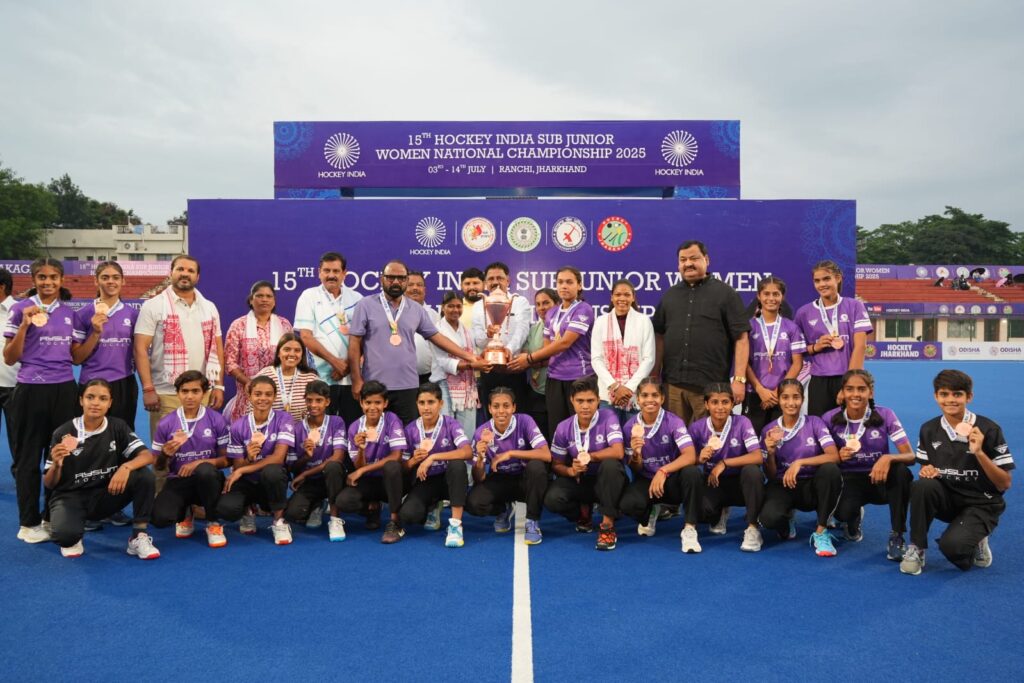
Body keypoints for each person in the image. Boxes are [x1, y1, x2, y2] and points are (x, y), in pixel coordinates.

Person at [901, 369, 1013, 575]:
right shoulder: (929, 429)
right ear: (936, 396)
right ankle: (917, 547)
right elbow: (926, 468)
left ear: (969, 397)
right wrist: (927, 470)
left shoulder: (989, 429)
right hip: (949, 498)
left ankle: (977, 537)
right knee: (921, 486)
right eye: (944, 394)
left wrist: (979, 452)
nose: (950, 399)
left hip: (982, 503)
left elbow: (1004, 483)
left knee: (953, 547)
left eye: (957, 394)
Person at [348, 260, 478, 425]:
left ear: (406, 280)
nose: (396, 282)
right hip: (375, 385)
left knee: (409, 434)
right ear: (382, 279)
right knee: (375, 433)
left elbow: (437, 337)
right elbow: (354, 343)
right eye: (391, 277)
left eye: (401, 278)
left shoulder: (416, 309)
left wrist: (469, 356)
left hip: (408, 386)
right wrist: (356, 379)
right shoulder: (365, 305)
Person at [135, 255, 225, 491]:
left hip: (202, 392)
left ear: (198, 276)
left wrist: (218, 385)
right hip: (166, 393)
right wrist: (148, 388)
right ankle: (162, 500)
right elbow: (140, 349)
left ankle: (196, 502)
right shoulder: (153, 306)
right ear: (171, 272)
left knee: (200, 451)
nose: (185, 274)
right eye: (180, 269)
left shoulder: (209, 307)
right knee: (166, 453)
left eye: (190, 270)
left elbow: (217, 347)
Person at [3, 258, 77, 543]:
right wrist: (24, 325)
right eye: (42, 277)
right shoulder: (20, 309)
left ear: (61, 280)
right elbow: (10, 358)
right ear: (33, 280)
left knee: (60, 456)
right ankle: (28, 522)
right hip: (30, 389)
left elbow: (76, 357)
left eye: (53, 277)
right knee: (28, 458)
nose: (48, 282)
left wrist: (95, 333)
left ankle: (50, 516)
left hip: (64, 390)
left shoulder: (69, 313)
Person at [44, 379, 158, 559]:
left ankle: (139, 536)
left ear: (110, 403)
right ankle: (74, 529)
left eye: (103, 398)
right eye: (90, 397)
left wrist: (125, 467)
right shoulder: (63, 432)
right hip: (71, 496)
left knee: (144, 476)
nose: (96, 403)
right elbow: (49, 483)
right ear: (81, 400)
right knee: (65, 537)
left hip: (106, 495)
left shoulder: (117, 426)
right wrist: (57, 465)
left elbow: (147, 456)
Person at [652, 240, 750, 424]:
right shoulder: (669, 296)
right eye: (683, 260)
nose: (688, 263)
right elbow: (660, 337)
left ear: (707, 260)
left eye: (694, 258)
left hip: (711, 389)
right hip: (673, 387)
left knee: (709, 439)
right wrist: (654, 375)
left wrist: (739, 379)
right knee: (675, 437)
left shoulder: (726, 294)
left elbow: (741, 338)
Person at [823, 369, 914, 561]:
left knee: (901, 472)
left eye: (861, 389)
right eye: (850, 389)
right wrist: (837, 456)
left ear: (870, 392)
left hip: (879, 477)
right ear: (842, 392)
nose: (855, 394)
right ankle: (853, 516)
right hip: (849, 479)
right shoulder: (830, 418)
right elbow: (820, 458)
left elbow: (910, 456)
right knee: (843, 513)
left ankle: (897, 535)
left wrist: (887, 458)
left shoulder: (885, 414)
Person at [758, 379, 842, 557]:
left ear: (802, 399)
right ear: (779, 400)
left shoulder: (815, 423)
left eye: (796, 397)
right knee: (768, 520)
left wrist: (800, 462)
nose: (791, 402)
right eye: (785, 397)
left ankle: (821, 531)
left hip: (811, 485)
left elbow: (834, 456)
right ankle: (786, 520)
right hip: (783, 485)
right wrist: (770, 453)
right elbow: (771, 475)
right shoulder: (768, 430)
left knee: (830, 470)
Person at [508, 266, 594, 439]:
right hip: (554, 377)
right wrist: (534, 358)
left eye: (569, 282)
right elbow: (548, 349)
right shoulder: (552, 313)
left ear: (579, 285)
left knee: (581, 430)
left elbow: (565, 343)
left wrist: (529, 359)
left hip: (579, 377)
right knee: (557, 430)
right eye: (560, 282)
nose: (564, 286)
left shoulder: (583, 309)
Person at [620, 379, 703, 552]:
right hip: (646, 480)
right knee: (628, 505)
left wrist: (663, 470)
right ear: (638, 399)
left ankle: (689, 528)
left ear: (662, 398)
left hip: (671, 479)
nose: (650, 400)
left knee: (692, 473)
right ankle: (651, 510)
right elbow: (635, 468)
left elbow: (690, 455)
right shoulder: (629, 427)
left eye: (655, 395)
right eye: (645, 395)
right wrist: (636, 454)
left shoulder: (674, 421)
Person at [543, 377, 626, 550]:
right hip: (580, 480)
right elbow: (556, 464)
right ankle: (582, 513)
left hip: (607, 480)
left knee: (611, 465)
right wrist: (571, 471)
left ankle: (607, 525)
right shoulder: (563, 427)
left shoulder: (608, 417)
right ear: (572, 401)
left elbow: (618, 451)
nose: (585, 406)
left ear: (598, 400)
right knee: (552, 498)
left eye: (590, 401)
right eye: (580, 401)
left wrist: (591, 457)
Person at [150, 371, 231, 548]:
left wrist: (198, 463)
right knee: (159, 519)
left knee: (205, 471)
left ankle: (213, 523)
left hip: (209, 479)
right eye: (184, 391)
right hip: (179, 480)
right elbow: (158, 466)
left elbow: (227, 460)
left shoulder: (216, 420)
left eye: (195, 391)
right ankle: (187, 512)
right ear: (178, 393)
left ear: (204, 393)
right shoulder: (166, 423)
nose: (189, 396)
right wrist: (165, 454)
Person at [466, 387, 551, 544]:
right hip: (500, 478)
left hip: (525, 478)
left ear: (514, 407)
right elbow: (479, 479)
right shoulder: (481, 433)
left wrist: (511, 453)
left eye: (506, 406)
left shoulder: (525, 421)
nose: (501, 411)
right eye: (496, 406)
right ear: (489, 408)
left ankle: (532, 521)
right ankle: (503, 509)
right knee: (473, 503)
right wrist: (480, 459)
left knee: (537, 468)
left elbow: (546, 454)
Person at [217, 376, 295, 545]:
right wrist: (248, 458)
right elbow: (237, 464)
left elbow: (278, 458)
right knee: (226, 510)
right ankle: (248, 510)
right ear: (249, 396)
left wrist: (242, 469)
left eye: (268, 394)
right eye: (258, 394)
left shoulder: (284, 419)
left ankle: (279, 521)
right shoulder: (238, 425)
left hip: (270, 481)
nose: (263, 398)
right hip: (247, 482)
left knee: (273, 471)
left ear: (274, 397)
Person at [689, 383, 765, 552]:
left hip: (740, 483)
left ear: (732, 404)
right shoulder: (697, 427)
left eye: (725, 402)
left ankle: (753, 528)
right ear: (706, 404)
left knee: (752, 471)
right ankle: (720, 512)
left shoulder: (742, 422)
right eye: (714, 402)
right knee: (701, 512)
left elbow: (758, 456)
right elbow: (686, 459)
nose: (720, 407)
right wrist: (698, 459)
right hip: (713, 482)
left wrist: (724, 462)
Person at [794, 260, 872, 416]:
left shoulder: (854, 306)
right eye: (817, 281)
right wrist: (816, 347)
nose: (822, 284)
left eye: (826, 279)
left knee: (850, 425)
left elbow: (860, 346)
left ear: (838, 278)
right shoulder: (804, 313)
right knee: (819, 425)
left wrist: (849, 385)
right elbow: (797, 350)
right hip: (819, 380)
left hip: (847, 376)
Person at [399, 382, 472, 548]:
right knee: (409, 516)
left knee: (457, 465)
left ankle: (456, 525)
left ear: (441, 403)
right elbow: (402, 467)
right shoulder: (410, 429)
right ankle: (433, 506)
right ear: (416, 404)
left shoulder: (450, 424)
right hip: (426, 481)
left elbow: (467, 451)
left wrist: (433, 457)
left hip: (450, 480)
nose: (426, 408)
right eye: (422, 403)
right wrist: (413, 461)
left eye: (431, 402)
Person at [293, 251, 363, 424]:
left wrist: (347, 365)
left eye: (336, 271)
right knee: (322, 430)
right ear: (319, 272)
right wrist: (335, 362)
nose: (331, 275)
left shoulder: (357, 299)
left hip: (351, 378)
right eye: (326, 270)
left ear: (344, 273)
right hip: (320, 378)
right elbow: (306, 337)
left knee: (351, 427)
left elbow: (364, 338)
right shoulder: (308, 296)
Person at [335, 380, 408, 543]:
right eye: (368, 402)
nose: (372, 407)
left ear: (385, 403)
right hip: (368, 481)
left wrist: (362, 470)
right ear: (361, 403)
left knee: (392, 466)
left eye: (378, 402)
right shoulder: (354, 427)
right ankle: (371, 508)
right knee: (343, 502)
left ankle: (395, 522)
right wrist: (361, 449)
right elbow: (358, 465)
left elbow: (396, 456)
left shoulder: (392, 420)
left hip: (389, 480)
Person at [71, 261, 139, 428]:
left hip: (124, 382)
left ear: (123, 281)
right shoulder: (83, 314)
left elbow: (140, 352)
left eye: (116, 277)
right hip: (91, 382)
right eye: (105, 277)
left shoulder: (134, 314)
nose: (111, 281)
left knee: (123, 433)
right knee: (89, 433)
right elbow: (76, 359)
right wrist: (95, 333)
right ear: (96, 281)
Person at [283, 380, 350, 542]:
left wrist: (306, 473)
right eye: (310, 400)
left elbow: (338, 457)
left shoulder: (336, 422)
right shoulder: (297, 428)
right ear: (305, 400)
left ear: (327, 402)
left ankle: (335, 519)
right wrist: (306, 456)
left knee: (333, 467)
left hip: (332, 478)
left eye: (319, 400)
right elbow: (292, 467)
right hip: (310, 483)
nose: (313, 405)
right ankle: (317, 504)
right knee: (292, 514)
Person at [744, 276, 805, 434]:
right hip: (754, 393)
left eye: (776, 294)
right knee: (753, 439)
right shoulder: (748, 327)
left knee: (779, 439)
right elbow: (744, 362)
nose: (771, 298)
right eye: (766, 294)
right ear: (759, 296)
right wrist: (760, 389)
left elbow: (797, 363)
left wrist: (779, 390)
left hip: (782, 395)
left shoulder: (792, 328)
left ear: (782, 297)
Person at [224, 280, 292, 420]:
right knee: (247, 429)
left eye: (269, 296)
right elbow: (229, 362)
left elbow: (291, 356)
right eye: (259, 296)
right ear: (251, 300)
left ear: (274, 301)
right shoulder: (238, 325)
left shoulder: (284, 325)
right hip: (248, 392)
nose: (264, 299)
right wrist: (248, 382)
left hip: (278, 392)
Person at [590, 279, 655, 425]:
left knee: (635, 435)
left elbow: (649, 359)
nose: (622, 298)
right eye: (618, 294)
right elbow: (596, 359)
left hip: (635, 395)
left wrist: (628, 388)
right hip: (608, 395)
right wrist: (615, 386)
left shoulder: (644, 321)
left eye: (627, 295)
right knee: (609, 435)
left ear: (633, 297)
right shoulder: (601, 321)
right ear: (611, 297)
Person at [473, 262, 532, 411]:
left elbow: (522, 331)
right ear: (485, 283)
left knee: (517, 412)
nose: (495, 282)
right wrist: (488, 334)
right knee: (492, 413)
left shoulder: (520, 302)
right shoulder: (478, 306)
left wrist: (508, 350)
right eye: (491, 279)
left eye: (499, 278)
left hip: (513, 367)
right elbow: (478, 340)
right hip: (489, 369)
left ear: (508, 280)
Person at [430, 291, 484, 438]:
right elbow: (443, 362)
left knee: (467, 432)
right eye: (451, 306)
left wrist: (489, 340)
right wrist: (472, 365)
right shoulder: (436, 331)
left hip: (467, 386)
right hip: (443, 384)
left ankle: (466, 454)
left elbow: (475, 351)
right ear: (442, 307)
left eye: (459, 306)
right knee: (446, 431)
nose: (455, 310)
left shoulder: (466, 330)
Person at [253, 332, 320, 421]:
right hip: (270, 429)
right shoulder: (263, 376)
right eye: (287, 349)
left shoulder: (311, 379)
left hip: (302, 429)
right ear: (278, 353)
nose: (292, 354)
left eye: (297, 350)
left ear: (302, 355)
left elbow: (319, 412)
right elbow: (251, 411)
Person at [523, 288, 557, 438]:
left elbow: (560, 354)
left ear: (557, 304)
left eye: (546, 303)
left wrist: (534, 361)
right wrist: (532, 361)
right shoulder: (533, 329)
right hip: (537, 390)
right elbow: (524, 354)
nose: (542, 308)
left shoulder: (563, 326)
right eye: (538, 304)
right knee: (540, 436)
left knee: (557, 433)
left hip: (558, 389)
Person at [0, 267, 21, 470]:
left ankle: (20, 477)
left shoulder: (21, 310)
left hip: (14, 385)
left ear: (2, 287)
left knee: (17, 437)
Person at [406, 270, 440, 386]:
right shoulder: (393, 314)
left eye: (419, 285)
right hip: (401, 378)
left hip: (429, 378)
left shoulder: (434, 316)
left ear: (424, 290)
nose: (415, 288)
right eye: (410, 285)